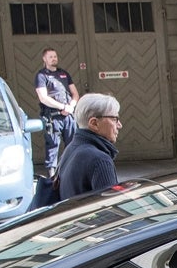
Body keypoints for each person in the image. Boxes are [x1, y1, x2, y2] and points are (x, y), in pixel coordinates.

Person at [58, 94, 121, 199]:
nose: (119, 125)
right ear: (94, 123)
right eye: (115, 119)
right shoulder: (100, 160)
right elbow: (110, 208)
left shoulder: (71, 148)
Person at [35, 47, 80, 177]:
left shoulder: (64, 74)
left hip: (69, 116)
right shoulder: (41, 76)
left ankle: (72, 172)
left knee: (73, 144)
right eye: (51, 57)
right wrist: (62, 107)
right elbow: (43, 97)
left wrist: (71, 106)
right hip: (53, 117)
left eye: (55, 56)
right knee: (52, 145)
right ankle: (52, 175)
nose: (54, 59)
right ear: (44, 59)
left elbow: (75, 94)